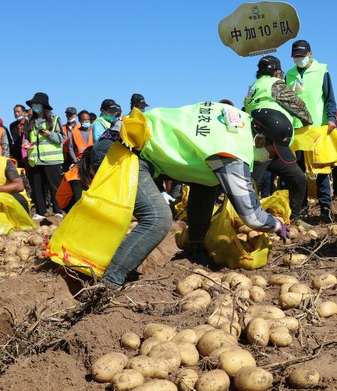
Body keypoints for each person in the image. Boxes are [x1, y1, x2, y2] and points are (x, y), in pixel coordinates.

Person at [94, 104, 292, 287]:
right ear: (260, 139)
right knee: (158, 218)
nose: (271, 157)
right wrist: (277, 225)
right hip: (122, 150)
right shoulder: (233, 149)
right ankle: (109, 284)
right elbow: (251, 216)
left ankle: (195, 247)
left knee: (208, 181)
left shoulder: (234, 119)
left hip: (128, 141)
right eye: (272, 151)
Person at [243, 55, 312, 224]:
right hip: (270, 142)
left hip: (261, 143)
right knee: (296, 178)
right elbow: (296, 104)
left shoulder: (253, 88)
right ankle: (249, 219)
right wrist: (307, 120)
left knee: (253, 182)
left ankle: (292, 218)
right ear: (277, 72)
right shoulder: (274, 84)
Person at [284, 39, 337, 220]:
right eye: (296, 56)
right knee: (298, 171)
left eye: (302, 55)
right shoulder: (289, 75)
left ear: (310, 54)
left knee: (321, 168)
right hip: (297, 129)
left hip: (317, 128)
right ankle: (302, 209)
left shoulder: (321, 70)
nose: (299, 58)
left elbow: (329, 98)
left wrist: (331, 118)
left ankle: (325, 207)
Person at [22, 92, 65, 219]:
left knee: (55, 187)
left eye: (37, 104)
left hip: (52, 159)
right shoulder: (30, 121)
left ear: (44, 105)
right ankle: (40, 212)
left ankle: (58, 210)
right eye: (33, 104)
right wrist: (26, 143)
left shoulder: (55, 119)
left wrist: (49, 134)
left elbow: (62, 138)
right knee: (37, 187)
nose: (34, 106)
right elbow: (27, 137)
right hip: (35, 159)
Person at [57, 146, 95, 212]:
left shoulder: (86, 171)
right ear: (88, 163)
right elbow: (78, 199)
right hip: (67, 203)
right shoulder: (75, 175)